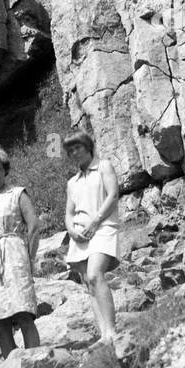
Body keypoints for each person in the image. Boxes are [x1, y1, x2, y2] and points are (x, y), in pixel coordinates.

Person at [0, 146, 41, 357]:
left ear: (5, 171)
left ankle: (35, 359)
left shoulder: (17, 194)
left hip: (14, 255)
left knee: (23, 312)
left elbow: (33, 226)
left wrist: (30, 258)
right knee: (0, 319)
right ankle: (12, 367)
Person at [63, 132, 121, 348]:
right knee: (88, 283)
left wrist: (96, 221)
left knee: (95, 274)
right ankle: (104, 334)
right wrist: (70, 230)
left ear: (88, 146)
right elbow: (69, 212)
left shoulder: (104, 166)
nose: (74, 153)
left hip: (103, 226)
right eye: (70, 150)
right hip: (80, 234)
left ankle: (112, 331)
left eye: (77, 147)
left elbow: (113, 195)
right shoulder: (72, 182)